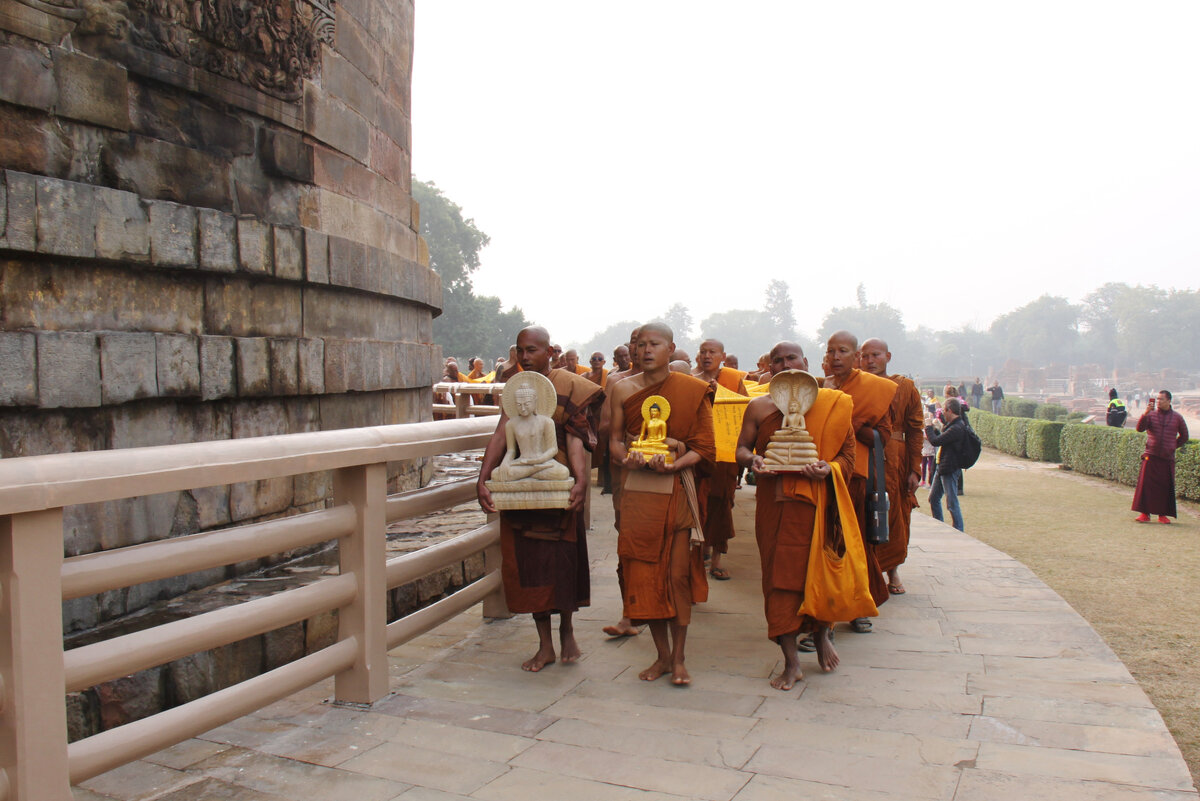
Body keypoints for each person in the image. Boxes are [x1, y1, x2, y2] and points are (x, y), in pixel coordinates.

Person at [476, 326, 602, 672]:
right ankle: (544, 644)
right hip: (523, 494)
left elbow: (575, 439)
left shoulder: (570, 386)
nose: (525, 357)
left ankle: (567, 632)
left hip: (555, 487)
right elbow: (503, 434)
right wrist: (483, 478)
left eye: (532, 350)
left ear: (550, 353)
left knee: (562, 565)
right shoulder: (516, 391)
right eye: (520, 351)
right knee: (528, 569)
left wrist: (579, 482)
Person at [735, 341, 854, 688]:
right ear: (768, 368)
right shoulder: (759, 406)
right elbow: (741, 448)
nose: (785, 364)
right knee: (778, 581)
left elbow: (848, 459)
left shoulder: (833, 403)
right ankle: (790, 662)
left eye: (791, 358)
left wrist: (827, 468)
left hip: (818, 504)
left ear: (806, 363)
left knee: (819, 575)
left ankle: (821, 637)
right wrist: (753, 460)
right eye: (777, 360)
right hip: (775, 504)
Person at [608, 322, 715, 686]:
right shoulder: (621, 388)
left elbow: (704, 448)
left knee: (676, 577)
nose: (645, 350)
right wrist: (627, 459)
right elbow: (614, 443)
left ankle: (681, 658)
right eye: (640, 344)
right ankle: (662, 657)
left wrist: (672, 464)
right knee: (643, 574)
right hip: (637, 494)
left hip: (675, 494)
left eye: (655, 344)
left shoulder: (692, 390)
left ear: (671, 348)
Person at [820, 330, 896, 632]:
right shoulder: (820, 387)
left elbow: (883, 435)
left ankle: (858, 605)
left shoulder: (876, 389)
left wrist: (853, 423)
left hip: (856, 475)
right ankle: (824, 612)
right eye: (831, 351)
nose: (836, 357)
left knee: (855, 541)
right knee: (826, 542)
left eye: (843, 351)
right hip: (823, 471)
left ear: (856, 357)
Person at [860, 338, 924, 596]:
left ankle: (893, 569)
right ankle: (865, 571)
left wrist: (915, 468)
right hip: (863, 454)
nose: (870, 361)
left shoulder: (905, 387)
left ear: (888, 356)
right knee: (863, 512)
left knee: (895, 515)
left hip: (895, 461)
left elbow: (916, 430)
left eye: (876, 355)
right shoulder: (856, 385)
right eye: (865, 356)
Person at [693, 338, 749, 581]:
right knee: (698, 501)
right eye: (703, 352)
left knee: (722, 503)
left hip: (725, 451)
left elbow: (746, 408)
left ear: (722, 356)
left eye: (712, 352)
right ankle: (699, 553)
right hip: (698, 451)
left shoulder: (733, 379)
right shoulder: (691, 379)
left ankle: (716, 559)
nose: (707, 356)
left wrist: (722, 393)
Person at [1132, 390, 1189, 524]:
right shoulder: (1151, 415)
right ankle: (1144, 513)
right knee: (1146, 485)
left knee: (1165, 486)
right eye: (1157, 399)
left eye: (1161, 399)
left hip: (1166, 458)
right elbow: (1139, 428)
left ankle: (1162, 515)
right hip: (1151, 455)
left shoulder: (1177, 418)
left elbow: (1184, 436)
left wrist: (1172, 446)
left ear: (1169, 401)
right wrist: (1145, 413)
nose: (1158, 402)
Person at [925, 397, 967, 532]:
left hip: (949, 467)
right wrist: (936, 430)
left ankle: (958, 529)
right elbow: (942, 439)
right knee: (934, 498)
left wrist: (928, 427)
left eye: (944, 410)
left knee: (951, 502)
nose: (943, 413)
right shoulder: (954, 425)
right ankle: (939, 526)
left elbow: (935, 442)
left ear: (950, 410)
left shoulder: (957, 427)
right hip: (942, 466)